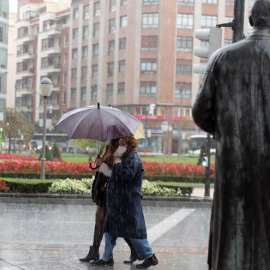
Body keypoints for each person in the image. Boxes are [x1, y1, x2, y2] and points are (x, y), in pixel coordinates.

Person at [192, 1, 270, 269]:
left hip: (234, 169)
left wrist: (231, 133)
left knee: (233, 237)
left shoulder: (223, 58)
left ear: (251, 19)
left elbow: (200, 112)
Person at [91, 136, 158, 269]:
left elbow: (126, 176)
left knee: (134, 233)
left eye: (122, 143)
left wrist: (118, 164)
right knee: (109, 230)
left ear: (128, 145)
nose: (119, 145)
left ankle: (150, 257)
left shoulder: (132, 159)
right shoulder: (124, 158)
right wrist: (101, 166)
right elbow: (113, 175)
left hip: (126, 203)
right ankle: (106, 257)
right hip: (117, 203)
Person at [79, 139, 138, 263]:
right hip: (102, 188)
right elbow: (105, 168)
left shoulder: (121, 149)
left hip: (111, 189)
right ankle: (95, 251)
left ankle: (132, 250)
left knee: (113, 224)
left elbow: (116, 172)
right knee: (100, 220)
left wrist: (102, 166)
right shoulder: (107, 146)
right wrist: (99, 164)